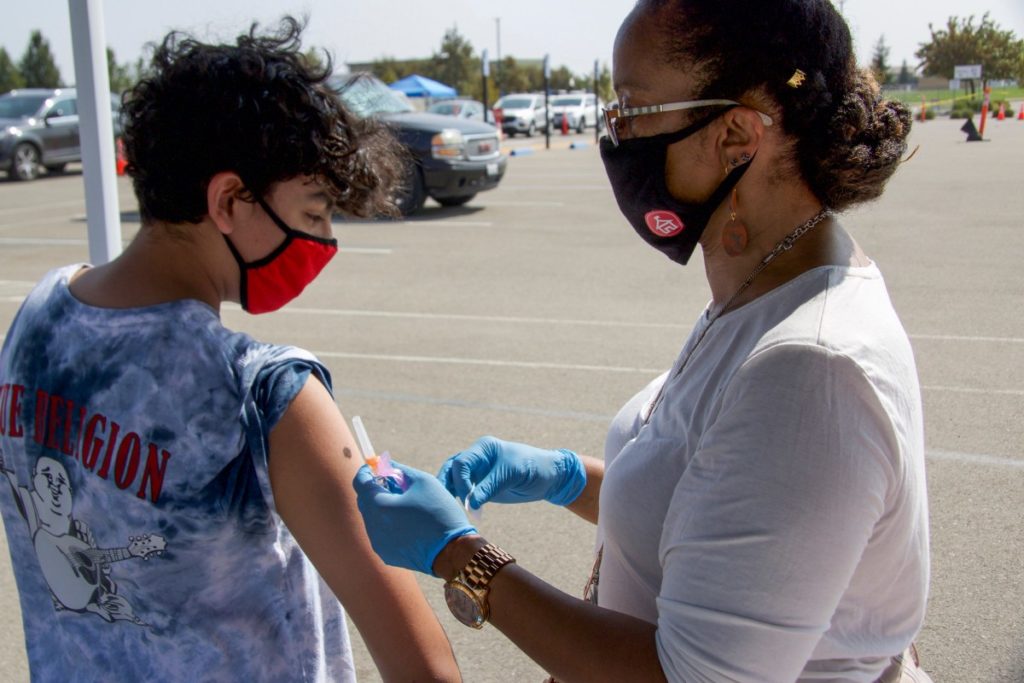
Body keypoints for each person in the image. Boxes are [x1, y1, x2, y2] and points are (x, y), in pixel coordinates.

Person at [353, 1, 931, 681]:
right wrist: (564, 477)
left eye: (631, 108)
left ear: (737, 136)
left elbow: (689, 675)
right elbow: (718, 511)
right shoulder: (760, 294)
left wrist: (461, 557)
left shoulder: (813, 371)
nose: (614, 133)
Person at [0, 19, 461, 682]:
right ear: (227, 199)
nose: (325, 241)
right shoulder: (265, 394)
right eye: (312, 211)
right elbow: (426, 670)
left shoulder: (39, 318)